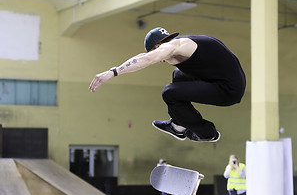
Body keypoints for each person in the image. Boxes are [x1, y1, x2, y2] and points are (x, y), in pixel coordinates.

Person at [89, 27, 246, 142]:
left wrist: (113, 72)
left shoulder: (173, 47)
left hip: (228, 90)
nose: (162, 61)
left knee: (169, 92)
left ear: (158, 47)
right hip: (224, 80)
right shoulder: (183, 44)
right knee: (178, 74)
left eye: (157, 55)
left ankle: (208, 133)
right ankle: (177, 126)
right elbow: (142, 56)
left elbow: (147, 59)